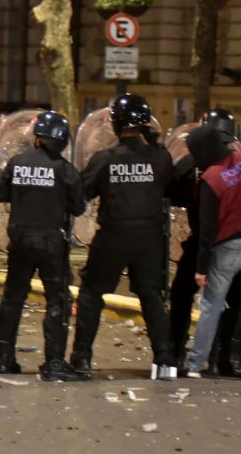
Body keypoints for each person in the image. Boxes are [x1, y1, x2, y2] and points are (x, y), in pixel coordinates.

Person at [71, 93, 177, 380]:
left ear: (117, 124)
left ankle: (81, 359)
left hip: (114, 236)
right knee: (152, 297)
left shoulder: (106, 159)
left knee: (92, 294)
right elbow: (172, 186)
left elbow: (82, 192)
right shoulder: (160, 157)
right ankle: (166, 362)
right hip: (150, 238)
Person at [0, 111, 87, 381]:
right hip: (51, 243)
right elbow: (79, 208)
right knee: (57, 301)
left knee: (12, 299)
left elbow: (2, 195)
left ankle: (3, 358)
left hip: (20, 239)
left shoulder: (17, 162)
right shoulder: (66, 170)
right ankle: (54, 362)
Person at [168, 109, 241, 375]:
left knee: (196, 298)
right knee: (226, 300)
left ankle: (185, 355)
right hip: (228, 241)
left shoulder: (200, 169)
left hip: (213, 242)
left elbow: (174, 195)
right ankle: (220, 357)